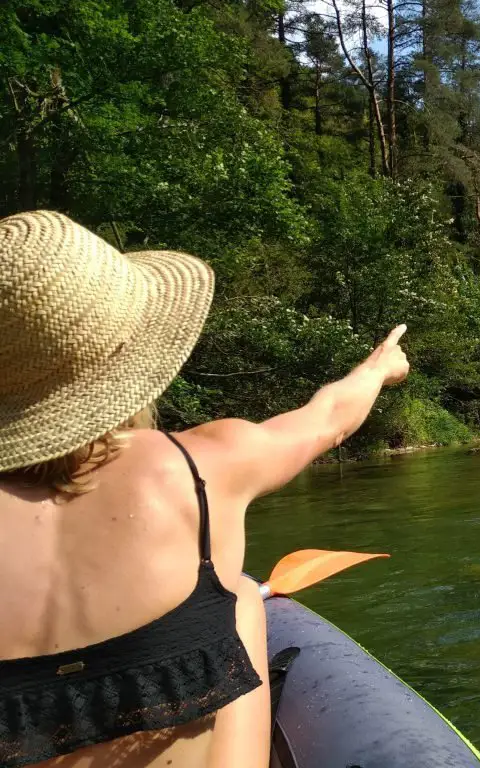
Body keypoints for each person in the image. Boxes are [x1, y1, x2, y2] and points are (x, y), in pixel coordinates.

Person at [0, 210, 410, 768]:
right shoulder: (205, 466)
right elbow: (329, 418)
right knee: (239, 595)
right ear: (131, 356)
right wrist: (380, 367)